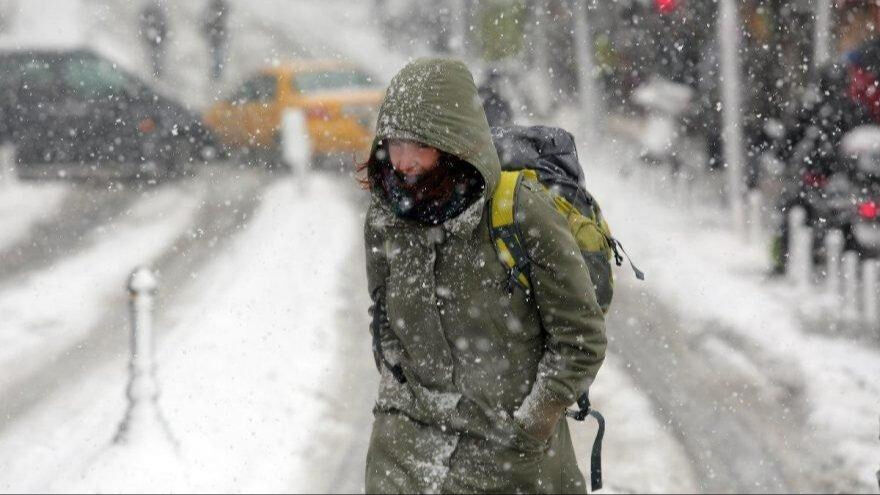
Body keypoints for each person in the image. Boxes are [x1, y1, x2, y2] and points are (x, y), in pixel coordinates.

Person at [361, 58, 607, 493]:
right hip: (406, 453)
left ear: (453, 141)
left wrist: (532, 423)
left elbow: (580, 338)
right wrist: (398, 395)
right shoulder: (387, 217)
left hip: (508, 457)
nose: (402, 161)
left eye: (418, 144)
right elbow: (384, 318)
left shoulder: (520, 212)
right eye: (393, 144)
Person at [770, 0, 880, 273]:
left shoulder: (839, 72)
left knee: (799, 196)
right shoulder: (849, 68)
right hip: (842, 164)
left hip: (834, 163)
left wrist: (785, 153)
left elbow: (804, 122)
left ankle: (785, 258)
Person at [139, 1, 167, 79]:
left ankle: (156, 72)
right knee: (153, 54)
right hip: (153, 36)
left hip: (157, 36)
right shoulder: (151, 7)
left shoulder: (158, 9)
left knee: (156, 55)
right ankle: (155, 72)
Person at [202, 0, 229, 81]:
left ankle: (216, 77)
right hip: (216, 40)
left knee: (217, 60)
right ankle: (216, 77)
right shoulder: (214, 8)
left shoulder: (217, 8)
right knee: (216, 60)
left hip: (217, 40)